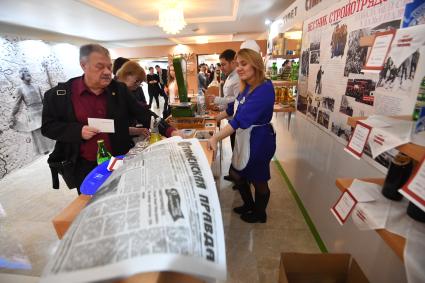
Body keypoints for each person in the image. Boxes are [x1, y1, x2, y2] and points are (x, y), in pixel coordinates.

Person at [42, 44, 178, 194]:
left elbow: (144, 114)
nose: (107, 72)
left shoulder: (118, 89)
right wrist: (78, 130)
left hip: (119, 160)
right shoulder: (60, 95)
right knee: (90, 203)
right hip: (85, 166)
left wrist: (170, 131)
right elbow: (48, 127)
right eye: (100, 67)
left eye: (109, 66)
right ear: (83, 65)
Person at [208, 48, 276, 223]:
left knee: (258, 179)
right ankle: (249, 205)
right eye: (237, 64)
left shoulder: (264, 88)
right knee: (237, 173)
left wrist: (216, 137)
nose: (239, 68)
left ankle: (260, 214)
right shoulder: (247, 86)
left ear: (256, 64)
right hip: (245, 137)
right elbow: (233, 108)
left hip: (259, 140)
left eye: (243, 64)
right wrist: (216, 118)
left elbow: (239, 119)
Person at [9, 67, 54, 155]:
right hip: (33, 114)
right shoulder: (20, 89)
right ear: (21, 75)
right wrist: (12, 115)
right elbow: (17, 104)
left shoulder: (37, 86)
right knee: (42, 142)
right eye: (25, 72)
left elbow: (43, 100)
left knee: (51, 135)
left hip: (42, 112)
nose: (27, 73)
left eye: (28, 71)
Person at [116, 60, 152, 129]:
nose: (138, 84)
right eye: (137, 80)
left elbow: (142, 112)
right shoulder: (112, 90)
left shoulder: (128, 90)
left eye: (140, 82)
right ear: (127, 74)